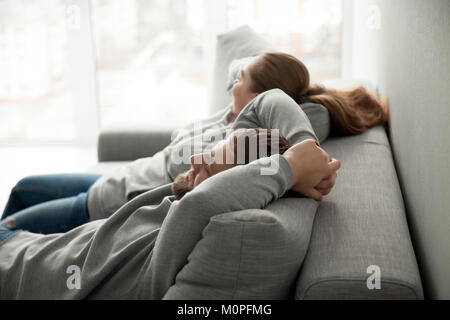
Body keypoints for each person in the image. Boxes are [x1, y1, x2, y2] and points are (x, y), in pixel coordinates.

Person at [0, 51, 387, 234]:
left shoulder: (244, 138)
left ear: (257, 96)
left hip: (105, 203)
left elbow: (303, 115)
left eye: (241, 80)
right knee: (22, 187)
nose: (233, 83)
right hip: (117, 179)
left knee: (10, 231)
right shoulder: (233, 118)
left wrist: (300, 160)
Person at [0, 128, 340, 299]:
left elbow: (202, 203)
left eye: (206, 167)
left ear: (235, 188)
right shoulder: (181, 205)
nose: (194, 162)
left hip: (12, 266)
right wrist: (303, 152)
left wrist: (291, 167)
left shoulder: (190, 224)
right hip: (26, 248)